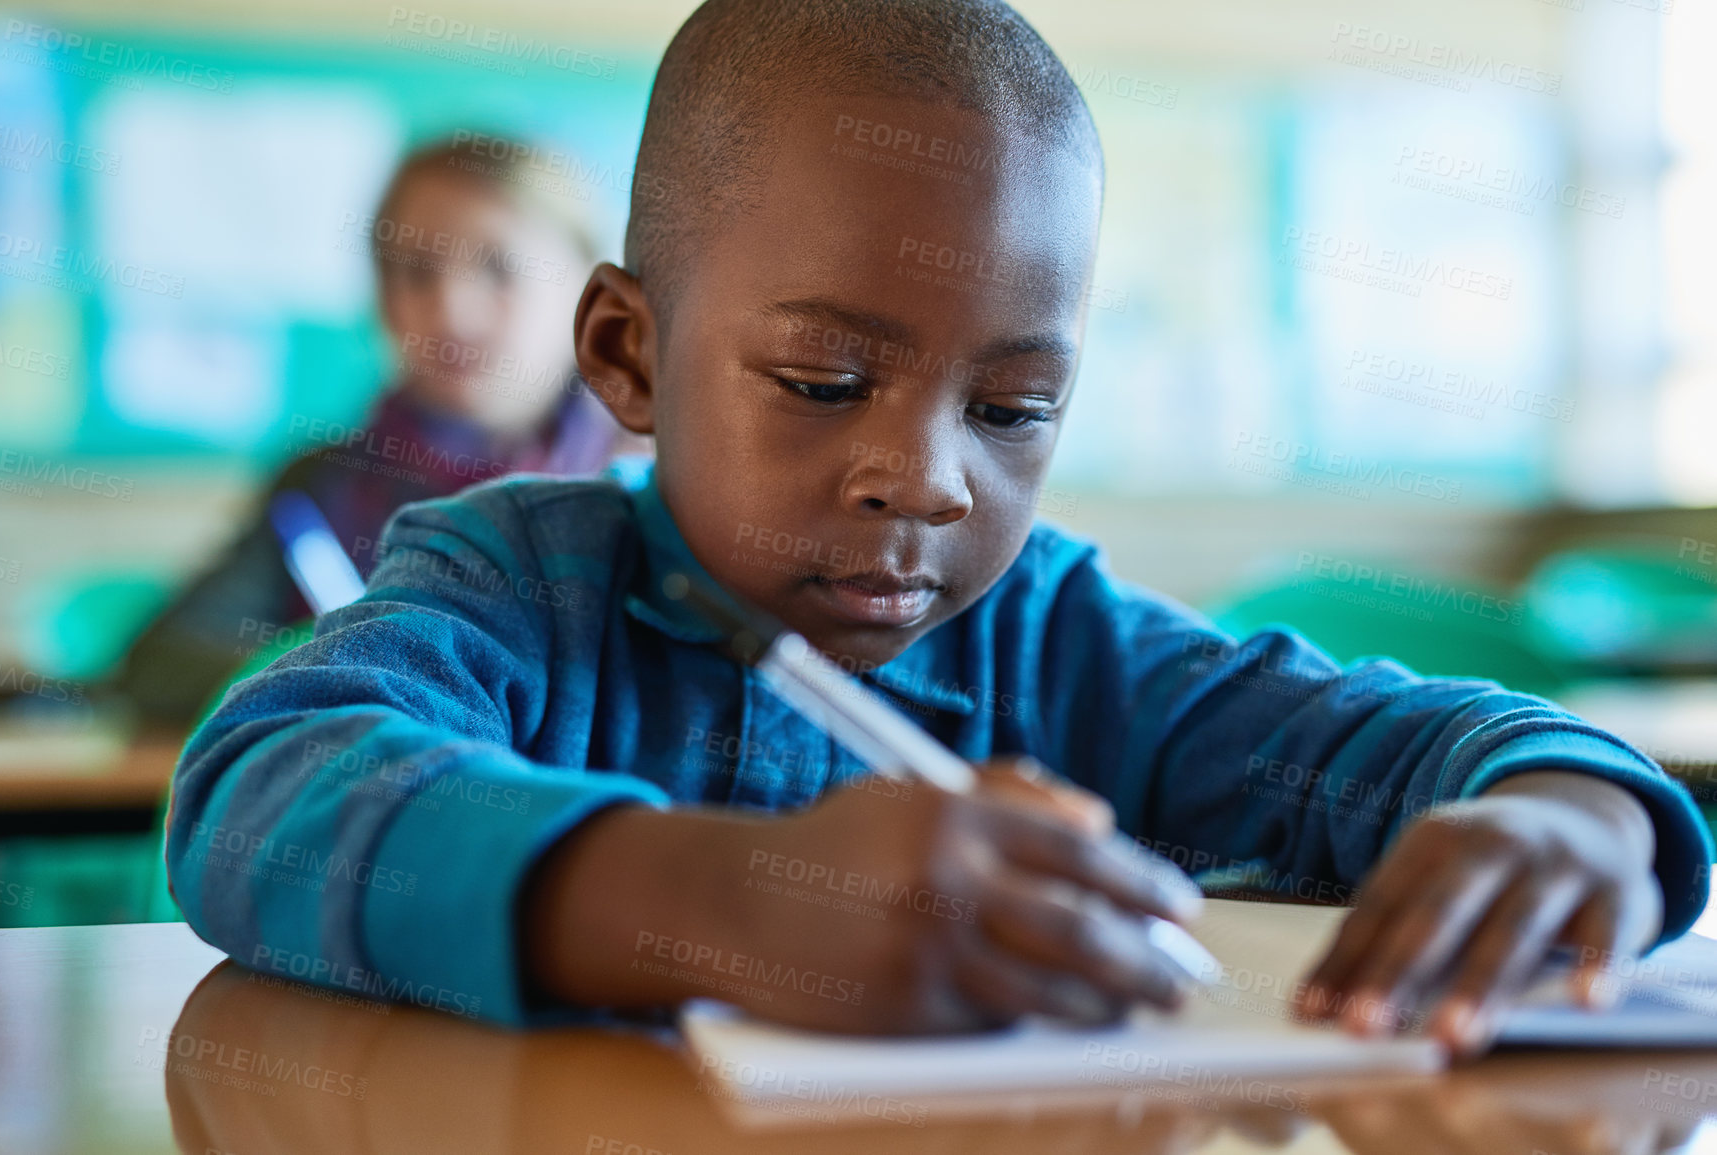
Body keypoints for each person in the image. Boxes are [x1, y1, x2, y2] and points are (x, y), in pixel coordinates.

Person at [166, 0, 1710, 1059]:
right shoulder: (516, 585)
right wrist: (727, 902)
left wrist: (1574, 808)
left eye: (1014, 407)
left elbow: (1406, 740)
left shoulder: (1058, 641)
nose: (928, 479)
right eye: (824, 379)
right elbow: (251, 794)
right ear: (628, 355)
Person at [110, 137, 647, 728]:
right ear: (383, 302)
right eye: (415, 273)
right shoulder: (323, 486)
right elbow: (161, 666)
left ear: (591, 293)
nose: (452, 314)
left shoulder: (654, 486)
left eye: (499, 268)